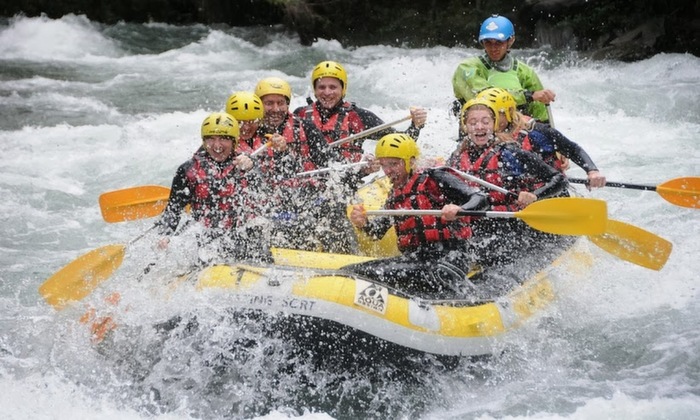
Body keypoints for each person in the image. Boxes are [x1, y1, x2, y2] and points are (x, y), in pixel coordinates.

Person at [347, 134, 488, 298]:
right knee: (355, 272)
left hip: (449, 259)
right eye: (384, 165)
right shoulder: (395, 195)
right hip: (416, 259)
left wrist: (460, 209)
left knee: (363, 274)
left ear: (411, 161)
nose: (388, 171)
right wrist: (363, 223)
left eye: (394, 164)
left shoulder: (435, 177)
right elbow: (376, 232)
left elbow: (480, 198)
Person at [447, 97, 571, 266]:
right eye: (473, 122)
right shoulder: (457, 157)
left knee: (485, 253)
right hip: (476, 223)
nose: (480, 127)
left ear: (494, 124)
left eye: (485, 121)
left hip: (510, 224)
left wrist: (535, 196)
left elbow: (559, 179)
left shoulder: (509, 153)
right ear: (465, 126)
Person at [155, 112, 270, 263]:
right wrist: (165, 235)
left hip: (242, 233)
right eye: (211, 139)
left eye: (223, 139)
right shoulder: (188, 170)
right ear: (203, 141)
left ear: (234, 141)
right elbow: (173, 209)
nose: (217, 146)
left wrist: (251, 168)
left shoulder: (245, 163)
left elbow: (264, 193)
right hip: (205, 235)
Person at [295, 60, 428, 189]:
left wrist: (416, 125)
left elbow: (401, 143)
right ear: (315, 89)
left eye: (333, 87)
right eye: (322, 87)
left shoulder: (359, 117)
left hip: (344, 185)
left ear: (343, 89)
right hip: (304, 184)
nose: (327, 92)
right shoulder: (300, 115)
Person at [476, 87, 606, 189]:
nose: (485, 122)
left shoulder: (536, 132)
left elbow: (573, 149)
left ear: (509, 113)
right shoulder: (479, 136)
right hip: (510, 198)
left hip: (547, 193)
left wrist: (592, 171)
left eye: (493, 115)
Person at [452, 14, 554, 124]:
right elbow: (487, 96)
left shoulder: (526, 72)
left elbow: (541, 115)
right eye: (488, 42)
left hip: (515, 129)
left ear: (510, 41)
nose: (493, 48)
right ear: (482, 43)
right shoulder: (467, 68)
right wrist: (529, 95)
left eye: (498, 42)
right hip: (478, 130)